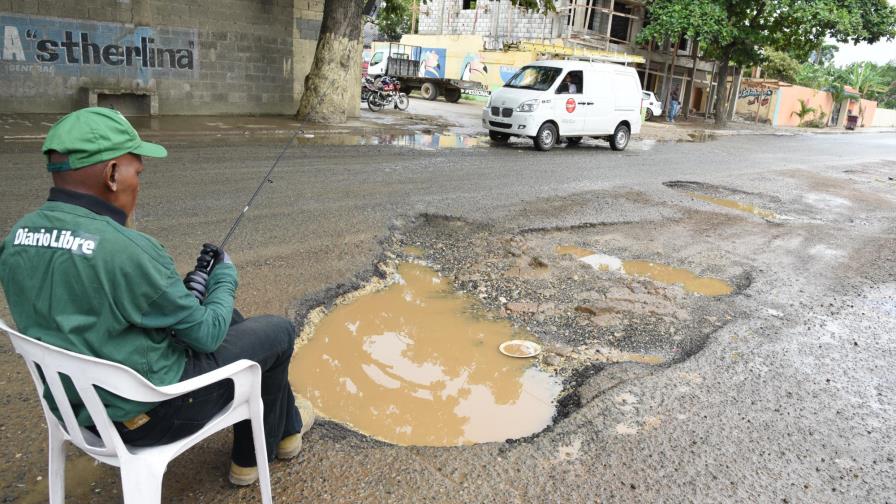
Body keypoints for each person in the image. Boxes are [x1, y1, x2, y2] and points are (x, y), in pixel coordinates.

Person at [0, 107, 313, 487]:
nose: (139, 181)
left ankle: (285, 428)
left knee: (237, 321)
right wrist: (224, 275)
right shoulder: (129, 250)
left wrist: (187, 296)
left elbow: (108, 303)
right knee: (277, 333)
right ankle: (253, 456)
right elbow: (207, 336)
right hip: (152, 415)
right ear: (113, 174)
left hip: (78, 410)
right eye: (138, 171)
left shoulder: (17, 237)